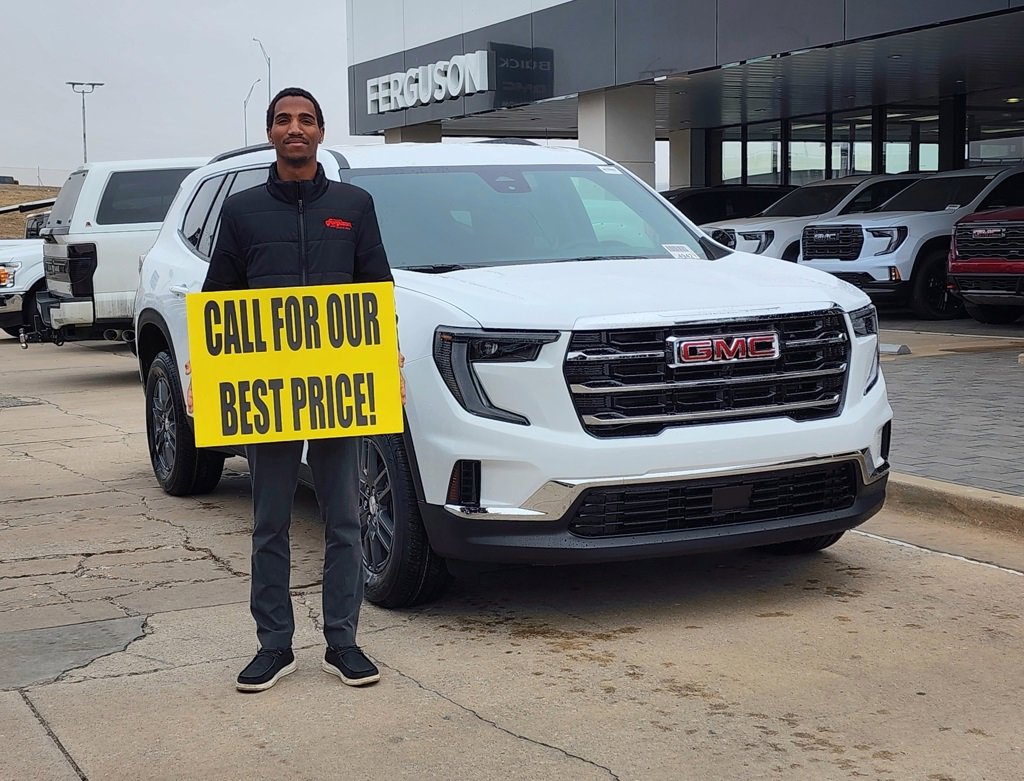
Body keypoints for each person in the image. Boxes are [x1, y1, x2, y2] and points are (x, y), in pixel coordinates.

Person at [203, 87, 401, 693]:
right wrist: (203, 375)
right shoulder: (241, 211)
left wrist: (387, 359)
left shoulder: (354, 205)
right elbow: (219, 302)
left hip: (339, 389)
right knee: (270, 523)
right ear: (271, 132)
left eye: (306, 120)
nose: (295, 128)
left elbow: (376, 288)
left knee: (345, 519)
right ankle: (274, 645)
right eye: (284, 120)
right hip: (269, 392)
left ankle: (343, 642)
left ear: (320, 132)